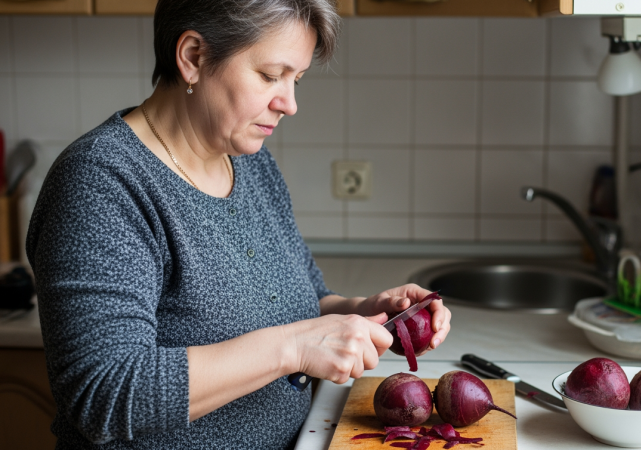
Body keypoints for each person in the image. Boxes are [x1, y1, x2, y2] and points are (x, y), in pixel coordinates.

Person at [25, 1, 452, 448]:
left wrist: (365, 312)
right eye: (270, 75)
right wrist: (294, 347)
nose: (290, 104)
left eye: (296, 79)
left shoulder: (248, 162)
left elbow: (303, 300)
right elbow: (105, 394)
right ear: (193, 57)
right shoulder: (102, 183)